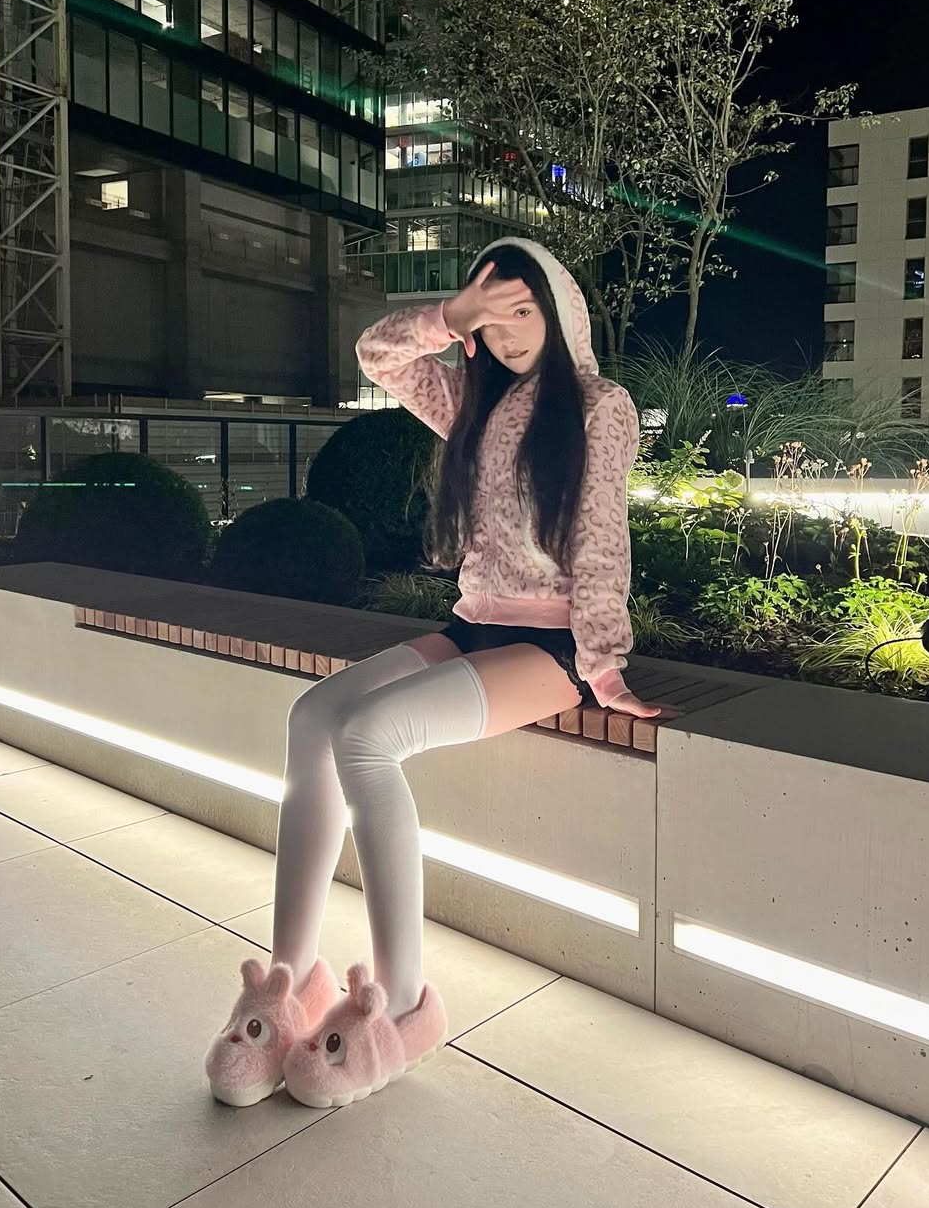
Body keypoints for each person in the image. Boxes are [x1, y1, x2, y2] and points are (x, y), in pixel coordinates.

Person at [205, 238, 661, 1111]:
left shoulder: (599, 406)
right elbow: (378, 355)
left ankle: (401, 1005)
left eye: (523, 311)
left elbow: (604, 539)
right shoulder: (472, 405)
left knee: (367, 738)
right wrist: (451, 318)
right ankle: (289, 983)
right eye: (491, 319)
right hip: (475, 626)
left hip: (553, 648)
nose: (508, 332)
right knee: (313, 716)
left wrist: (605, 667)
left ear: (560, 314)